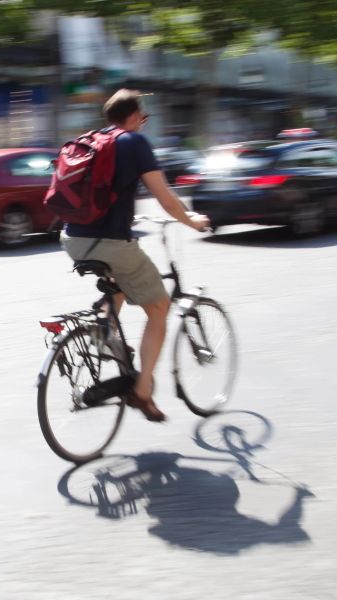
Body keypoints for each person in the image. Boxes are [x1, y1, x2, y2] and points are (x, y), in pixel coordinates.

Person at [60, 89, 210, 423]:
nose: (143, 123)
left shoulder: (91, 140)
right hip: (107, 241)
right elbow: (167, 199)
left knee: (122, 281)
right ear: (134, 116)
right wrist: (193, 220)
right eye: (143, 117)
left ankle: (104, 329)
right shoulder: (134, 142)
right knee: (158, 307)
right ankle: (142, 391)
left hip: (71, 237)